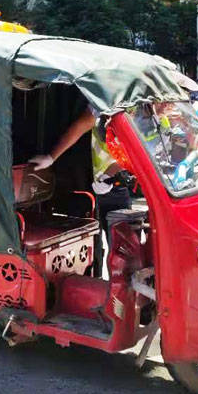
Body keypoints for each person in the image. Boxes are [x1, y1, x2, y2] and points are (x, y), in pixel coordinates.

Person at [29, 108, 130, 274]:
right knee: (93, 247)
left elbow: (140, 150)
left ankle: (119, 294)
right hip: (90, 185)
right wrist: (51, 157)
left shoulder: (141, 111)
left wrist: (111, 173)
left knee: (122, 251)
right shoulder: (102, 104)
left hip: (117, 185)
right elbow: (80, 126)